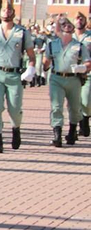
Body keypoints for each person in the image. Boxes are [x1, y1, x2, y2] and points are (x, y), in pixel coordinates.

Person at [0, 6, 36, 153]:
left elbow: (31, 55)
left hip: (14, 74)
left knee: (15, 109)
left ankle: (16, 128)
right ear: (0, 13)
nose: (6, 12)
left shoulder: (22, 33)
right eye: (4, 10)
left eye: (9, 10)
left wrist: (31, 68)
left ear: (13, 13)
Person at [43, 16, 85, 147]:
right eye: (64, 25)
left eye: (69, 25)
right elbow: (46, 61)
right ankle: (57, 135)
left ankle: (72, 132)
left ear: (72, 30)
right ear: (59, 30)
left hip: (74, 79)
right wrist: (44, 66)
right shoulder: (51, 45)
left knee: (74, 107)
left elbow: (88, 62)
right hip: (57, 78)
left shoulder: (79, 46)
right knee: (56, 107)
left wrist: (82, 67)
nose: (66, 27)